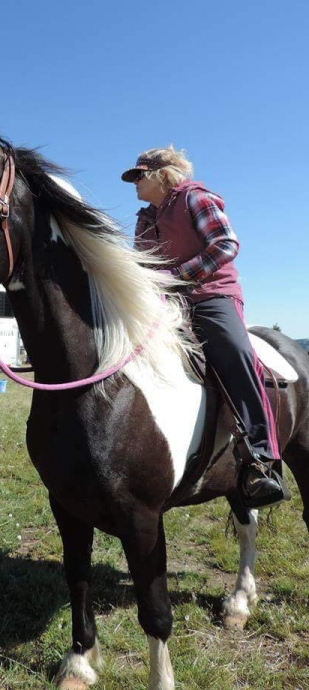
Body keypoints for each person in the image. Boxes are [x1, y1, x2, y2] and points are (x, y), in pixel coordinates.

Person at [121, 146, 288, 508]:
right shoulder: (143, 218)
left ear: (163, 174)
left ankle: (261, 459)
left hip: (211, 296)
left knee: (234, 352)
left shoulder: (194, 198)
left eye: (139, 175)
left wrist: (177, 276)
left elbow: (225, 244)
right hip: (166, 303)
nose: (134, 183)